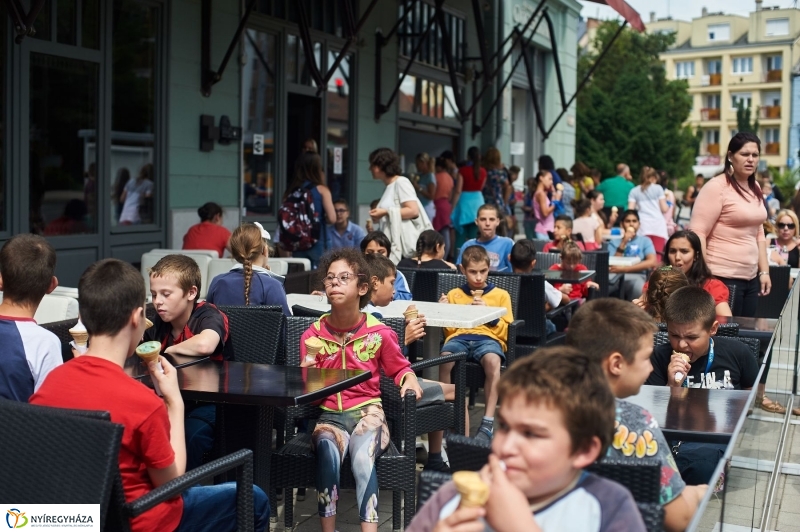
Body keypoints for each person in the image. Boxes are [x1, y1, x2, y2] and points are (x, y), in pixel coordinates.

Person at [30, 259, 269, 532]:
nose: (158, 303)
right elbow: (171, 486)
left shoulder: (48, 386)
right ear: (137, 319)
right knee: (255, 499)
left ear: (83, 318)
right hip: (139, 519)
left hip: (70, 520)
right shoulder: (143, 403)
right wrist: (174, 403)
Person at [407, 346, 646, 532]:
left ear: (583, 449)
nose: (505, 447)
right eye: (505, 427)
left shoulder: (608, 508)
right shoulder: (452, 498)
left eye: (531, 434)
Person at [299, 248, 422, 532]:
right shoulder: (312, 335)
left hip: (369, 413)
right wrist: (307, 373)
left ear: (362, 287)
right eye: (330, 279)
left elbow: (400, 368)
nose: (334, 284)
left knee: (361, 457)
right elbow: (308, 392)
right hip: (329, 417)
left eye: (344, 278)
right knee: (327, 455)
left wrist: (410, 380)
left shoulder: (379, 333)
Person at [566, 299, 705, 532]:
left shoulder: (540, 407)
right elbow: (677, 517)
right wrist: (699, 492)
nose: (651, 368)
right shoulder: (637, 422)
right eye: (646, 358)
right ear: (616, 364)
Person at [646, 286, 759, 484]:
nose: (681, 345)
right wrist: (672, 386)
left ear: (712, 329)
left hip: (715, 440)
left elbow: (752, 400)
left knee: (700, 465)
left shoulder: (738, 353)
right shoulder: (660, 357)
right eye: (674, 335)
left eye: (691, 338)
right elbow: (653, 418)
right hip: (674, 437)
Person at [144, 255, 232, 471]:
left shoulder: (208, 315)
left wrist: (167, 351)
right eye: (154, 294)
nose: (157, 301)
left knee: (189, 435)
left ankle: (185, 493)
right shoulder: (157, 322)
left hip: (213, 404)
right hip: (173, 401)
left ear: (191, 293)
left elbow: (206, 344)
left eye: (166, 294)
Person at [438, 245, 514, 441]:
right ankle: (447, 415)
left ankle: (487, 421)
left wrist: (490, 314)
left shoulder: (501, 295)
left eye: (483, 271)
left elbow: (507, 331)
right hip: (459, 338)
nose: (479, 277)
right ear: (463, 270)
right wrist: (445, 312)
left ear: (489, 269)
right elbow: (450, 331)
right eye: (473, 272)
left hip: (489, 339)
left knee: (493, 362)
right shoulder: (454, 294)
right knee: (445, 359)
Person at [690, 132, 771, 317]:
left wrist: (764, 271)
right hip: (721, 275)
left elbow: (759, 231)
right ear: (730, 156)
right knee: (725, 336)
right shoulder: (717, 187)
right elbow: (697, 232)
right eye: (744, 154)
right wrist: (704, 276)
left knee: (746, 335)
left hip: (751, 278)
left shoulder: (755, 187)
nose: (750, 159)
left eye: (755, 155)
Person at [0, 234, 62, 401]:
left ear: (0, 280)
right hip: (17, 427)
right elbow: (52, 411)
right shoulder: (45, 343)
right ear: (52, 285)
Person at [206, 223, 290, 314]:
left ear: (235, 254)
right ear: (265, 251)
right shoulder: (272, 286)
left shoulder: (217, 281)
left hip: (222, 329)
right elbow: (286, 324)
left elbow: (207, 317)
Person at [368, 147, 431, 263]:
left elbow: (413, 211)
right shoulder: (390, 186)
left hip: (404, 249)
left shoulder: (401, 182)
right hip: (396, 246)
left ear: (381, 165)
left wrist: (385, 212)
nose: (369, 169)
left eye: (372, 165)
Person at [648, 230, 732, 316]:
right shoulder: (658, 278)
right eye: (672, 251)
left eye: (684, 251)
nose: (677, 257)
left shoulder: (712, 286)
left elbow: (726, 321)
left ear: (696, 255)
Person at [282, 151, 336, 268]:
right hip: (318, 240)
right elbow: (332, 218)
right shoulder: (322, 190)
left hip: (297, 241)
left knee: (302, 277)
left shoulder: (291, 191)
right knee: (322, 275)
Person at [510, 239, 567, 336]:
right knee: (552, 326)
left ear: (509, 258)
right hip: (538, 332)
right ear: (533, 263)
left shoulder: (504, 282)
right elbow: (566, 300)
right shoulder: (540, 283)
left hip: (512, 332)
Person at [608, 210, 658, 300]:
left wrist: (625, 269)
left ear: (639, 224)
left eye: (634, 221)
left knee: (638, 288)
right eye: (628, 221)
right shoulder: (613, 242)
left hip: (637, 275)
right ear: (622, 224)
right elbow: (612, 263)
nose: (631, 224)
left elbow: (652, 262)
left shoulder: (645, 241)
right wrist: (624, 242)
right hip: (615, 276)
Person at [455, 204, 515, 272]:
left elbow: (515, 272)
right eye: (483, 219)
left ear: (498, 222)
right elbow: (460, 273)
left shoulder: (508, 244)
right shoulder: (467, 245)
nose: (487, 223)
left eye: (491, 219)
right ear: (476, 221)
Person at [628, 166, 669, 257]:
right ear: (654, 177)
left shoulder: (634, 191)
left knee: (644, 256)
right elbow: (664, 209)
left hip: (643, 225)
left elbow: (630, 211)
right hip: (658, 226)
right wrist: (667, 204)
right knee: (657, 256)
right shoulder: (658, 188)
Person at [451, 147, 487, 249]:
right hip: (478, 202)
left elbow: (458, 190)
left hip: (464, 203)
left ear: (468, 156)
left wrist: (452, 207)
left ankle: (458, 262)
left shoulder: (462, 171)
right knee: (474, 237)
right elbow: (481, 188)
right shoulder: (483, 171)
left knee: (460, 238)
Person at [360, 231, 413, 300]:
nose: (376, 255)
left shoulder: (396, 274)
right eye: (370, 252)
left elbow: (407, 298)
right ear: (363, 253)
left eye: (381, 252)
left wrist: (389, 291)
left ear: (388, 253)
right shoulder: (358, 272)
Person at [432, 157, 455, 257]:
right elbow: (451, 194)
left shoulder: (435, 177)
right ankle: (445, 257)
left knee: (435, 233)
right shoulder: (449, 178)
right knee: (446, 232)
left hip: (437, 205)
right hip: (446, 205)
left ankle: (436, 257)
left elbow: (432, 193)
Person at [532, 170, 561, 240]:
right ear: (541, 178)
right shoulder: (541, 194)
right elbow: (545, 213)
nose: (551, 182)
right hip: (543, 231)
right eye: (549, 179)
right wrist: (556, 201)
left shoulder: (542, 193)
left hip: (547, 230)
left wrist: (553, 193)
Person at [482, 147, 511, 216]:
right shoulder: (501, 173)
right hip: (497, 202)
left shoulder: (482, 171)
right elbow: (507, 186)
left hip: (483, 201)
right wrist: (504, 202)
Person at [414, 152, 437, 221]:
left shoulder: (430, 176)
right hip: (420, 207)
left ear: (423, 163)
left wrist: (418, 188)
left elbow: (431, 196)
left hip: (427, 207)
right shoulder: (420, 176)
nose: (416, 166)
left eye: (418, 164)